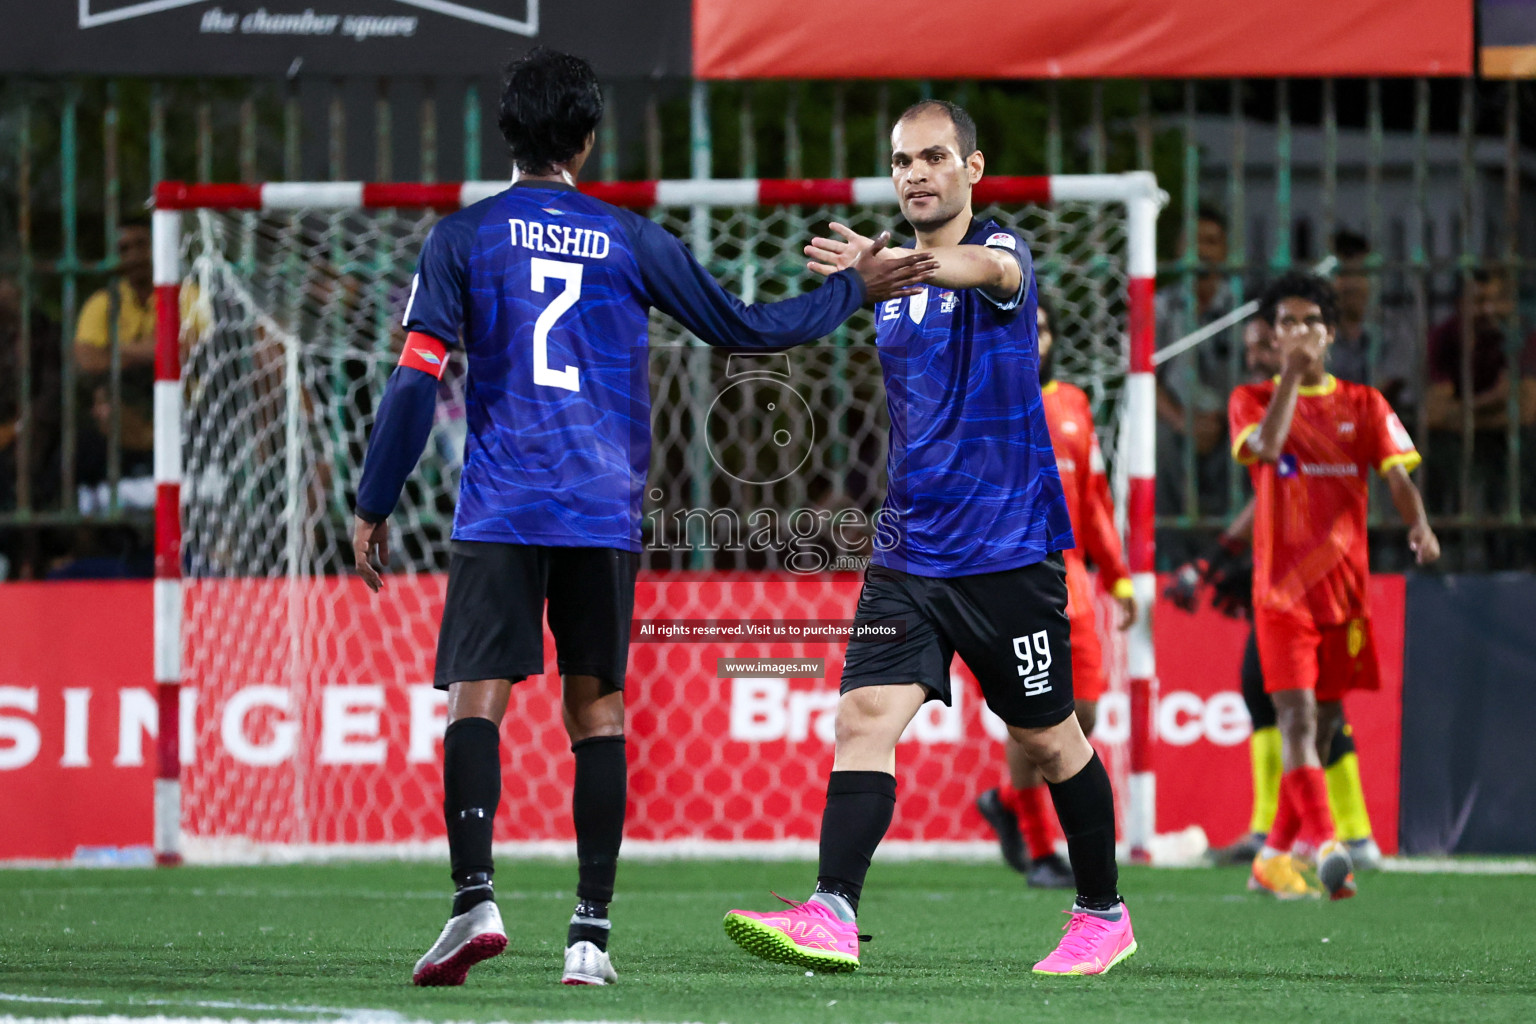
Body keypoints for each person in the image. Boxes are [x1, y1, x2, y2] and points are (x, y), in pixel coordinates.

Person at [350, 48, 935, 988]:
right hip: (601, 511)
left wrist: (374, 501)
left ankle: (474, 902)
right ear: (587, 137)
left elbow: (415, 383)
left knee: (477, 698)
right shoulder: (628, 240)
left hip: (502, 506)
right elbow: (745, 329)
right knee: (598, 708)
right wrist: (848, 291)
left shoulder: (459, 241)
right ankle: (589, 935)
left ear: (508, 134)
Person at [723, 99, 1136, 977]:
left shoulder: (1001, 254)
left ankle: (1103, 914)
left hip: (1005, 551)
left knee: (1049, 739)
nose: (915, 172)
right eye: (903, 160)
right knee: (862, 716)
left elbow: (980, 267)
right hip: (909, 549)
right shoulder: (891, 284)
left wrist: (905, 266)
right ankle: (832, 910)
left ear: (972, 170)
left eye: (935, 157)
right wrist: (864, 279)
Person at [1230, 272, 1439, 901]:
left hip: (1344, 593)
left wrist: (1420, 526)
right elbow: (1264, 448)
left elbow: (1397, 475)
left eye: (1311, 323)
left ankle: (1271, 857)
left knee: (1323, 723)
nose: (1300, 333)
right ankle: (1326, 845)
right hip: (1280, 591)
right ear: (1273, 334)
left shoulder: (1365, 404)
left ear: (1331, 332)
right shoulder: (1251, 398)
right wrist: (1290, 377)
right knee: (1294, 715)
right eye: (1287, 323)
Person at [1172, 318, 1382, 871]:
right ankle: (1289, 838)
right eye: (1252, 347)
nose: (1259, 354)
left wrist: (1220, 557)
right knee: (1286, 700)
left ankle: (1324, 834)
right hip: (1283, 575)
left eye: (1266, 343)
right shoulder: (1258, 403)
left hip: (1316, 578)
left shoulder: (1299, 403)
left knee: (1309, 705)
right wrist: (1221, 559)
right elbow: (1267, 495)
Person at [974, 298, 1137, 889]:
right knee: (1034, 716)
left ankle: (1004, 799)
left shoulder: (1074, 405)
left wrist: (1117, 573)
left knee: (1082, 714)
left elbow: (1092, 499)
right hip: (1012, 573)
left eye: (1042, 328)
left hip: (1071, 577)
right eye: (1025, 329)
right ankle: (1041, 851)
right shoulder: (984, 403)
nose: (1034, 338)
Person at [1155, 206, 1236, 555]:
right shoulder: (1159, 305)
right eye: (1193, 242)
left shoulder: (1242, 305)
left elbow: (1260, 374)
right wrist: (1181, 422)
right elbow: (1143, 378)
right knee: (1156, 442)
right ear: (1178, 250)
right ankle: (1168, 562)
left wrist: (1223, 419)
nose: (1202, 251)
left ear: (1225, 252)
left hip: (1230, 422)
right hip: (1175, 423)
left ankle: (1231, 559)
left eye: (1212, 242)